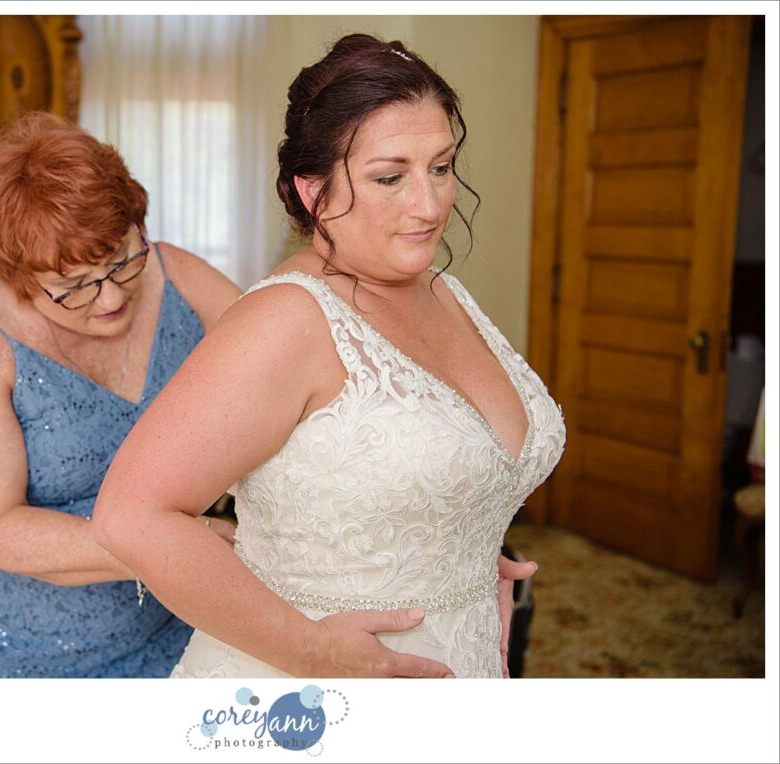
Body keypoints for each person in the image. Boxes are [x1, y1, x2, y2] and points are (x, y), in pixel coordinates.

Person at [92, 34, 565, 678]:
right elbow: (130, 516)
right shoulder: (287, 320)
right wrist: (313, 650)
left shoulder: (445, 290)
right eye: (389, 177)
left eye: (442, 166)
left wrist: (463, 541)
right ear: (313, 193)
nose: (430, 206)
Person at [0, 112, 242, 677]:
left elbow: (280, 370)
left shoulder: (177, 277)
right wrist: (188, 542)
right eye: (74, 287)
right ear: (18, 280)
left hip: (170, 620)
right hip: (19, 648)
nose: (113, 296)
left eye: (122, 259)